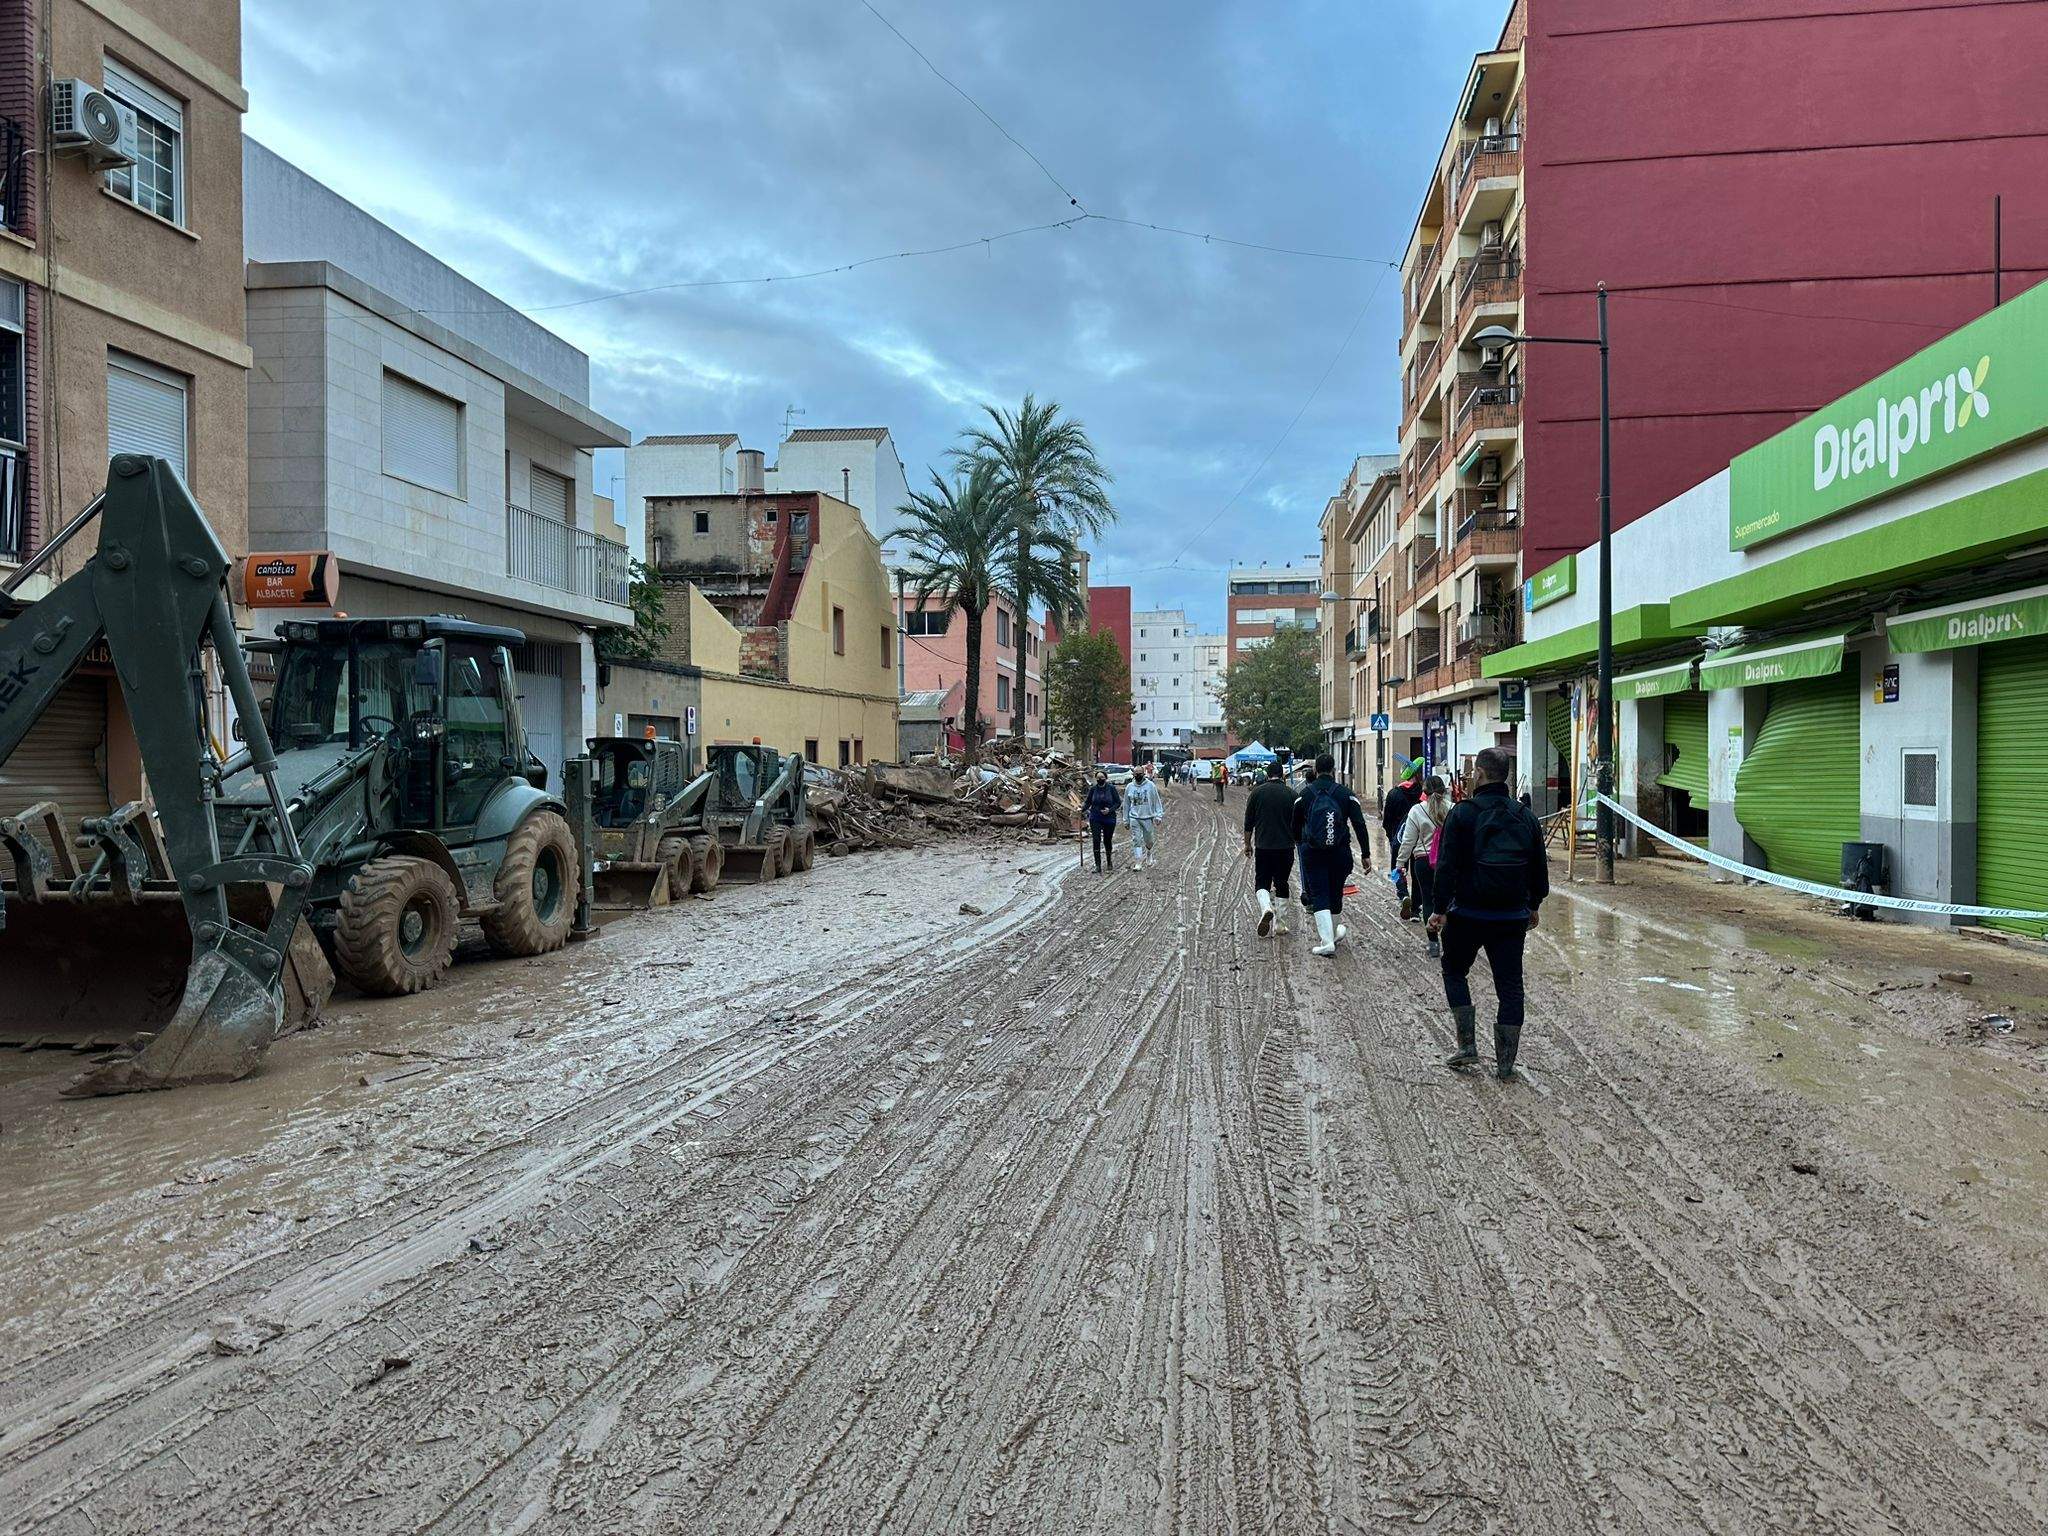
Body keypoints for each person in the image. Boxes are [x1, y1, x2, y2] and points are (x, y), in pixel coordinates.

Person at [1428, 745, 1549, 1080]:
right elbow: (1539, 868)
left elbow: (1447, 868)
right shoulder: (1524, 815)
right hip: (1511, 917)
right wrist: (1534, 905)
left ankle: (1467, 1046)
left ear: (1478, 774)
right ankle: (1506, 1065)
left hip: (1467, 914)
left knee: (1454, 971)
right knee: (1510, 987)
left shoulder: (1463, 814)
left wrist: (1439, 910)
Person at [1292, 752, 1372, 957]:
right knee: (1336, 892)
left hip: (1314, 853)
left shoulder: (1305, 794)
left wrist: (1300, 843)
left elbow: (1295, 824)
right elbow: (1359, 824)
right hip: (1340, 853)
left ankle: (1327, 940)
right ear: (1334, 770)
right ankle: (1332, 935)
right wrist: (1365, 853)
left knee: (1319, 893)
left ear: (1316, 770)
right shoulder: (1346, 794)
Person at [1395, 775, 1452, 958]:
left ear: (1424, 793)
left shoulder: (1416, 811)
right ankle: (1450, 944)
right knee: (1449, 902)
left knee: (1428, 900)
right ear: (1444, 791)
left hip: (1423, 862)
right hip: (1448, 863)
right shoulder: (1453, 809)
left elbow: (1408, 841)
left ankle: (1433, 944)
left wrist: (1400, 862)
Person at [1242, 762, 1299, 937]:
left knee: (1262, 882)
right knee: (1282, 883)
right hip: (1286, 847)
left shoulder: (1257, 793)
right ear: (1282, 775)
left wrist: (1247, 844)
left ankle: (1266, 907)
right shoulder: (1292, 794)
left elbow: (1248, 822)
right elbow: (1299, 823)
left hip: (1264, 846)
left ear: (1267, 775)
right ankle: (1280, 925)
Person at [1381, 768, 1421, 905]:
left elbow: (1386, 820)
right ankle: (1416, 906)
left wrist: (1391, 837)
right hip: (1418, 840)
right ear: (1416, 776)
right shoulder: (1422, 794)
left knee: (1398, 868)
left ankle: (1403, 894)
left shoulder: (1393, 794)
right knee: (1417, 874)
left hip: (1398, 838)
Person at [1124, 762, 1165, 870]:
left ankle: (1149, 853)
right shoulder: (1129, 787)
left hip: (1148, 816)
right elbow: (1126, 804)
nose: (1138, 775)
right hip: (1134, 817)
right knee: (1136, 840)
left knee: (1149, 840)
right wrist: (1126, 820)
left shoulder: (1150, 786)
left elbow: (1156, 801)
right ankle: (1138, 862)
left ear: (1144, 774)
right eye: (1136, 773)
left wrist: (1158, 815)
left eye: (1140, 773)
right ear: (1133, 774)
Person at [1083, 769, 1122, 874]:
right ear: (1096, 779)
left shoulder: (1111, 788)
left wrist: (1110, 810)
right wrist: (1081, 809)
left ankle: (1109, 861)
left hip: (1109, 818)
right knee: (1096, 840)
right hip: (1095, 817)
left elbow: (1118, 803)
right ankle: (1098, 865)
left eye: (1102, 777)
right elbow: (1088, 802)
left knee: (1107, 840)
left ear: (1106, 778)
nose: (1100, 779)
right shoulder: (1093, 789)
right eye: (1098, 778)